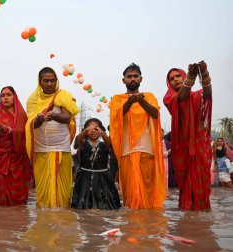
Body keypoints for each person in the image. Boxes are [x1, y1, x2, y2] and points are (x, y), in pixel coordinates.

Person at [110, 63, 166, 209]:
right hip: (126, 152)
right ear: (124, 80)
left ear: (141, 79)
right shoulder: (117, 99)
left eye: (135, 76)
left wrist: (141, 101)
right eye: (129, 77)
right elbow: (116, 117)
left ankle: (148, 224)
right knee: (129, 193)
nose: (132, 79)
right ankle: (132, 228)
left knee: (147, 190)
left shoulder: (149, 96)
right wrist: (129, 102)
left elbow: (155, 114)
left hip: (146, 151)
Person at [25, 67, 79, 208]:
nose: (49, 83)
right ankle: (44, 223)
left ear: (56, 81)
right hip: (41, 151)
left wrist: (54, 115)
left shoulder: (63, 95)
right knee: (43, 192)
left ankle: (62, 221)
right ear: (40, 82)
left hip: (62, 149)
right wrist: (40, 119)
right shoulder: (33, 100)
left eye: (52, 80)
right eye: (46, 80)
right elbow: (31, 126)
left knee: (63, 192)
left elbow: (67, 118)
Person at [163, 61, 213, 211]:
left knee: (202, 184)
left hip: (200, 144)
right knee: (185, 185)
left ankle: (202, 215)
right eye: (171, 78)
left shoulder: (197, 96)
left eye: (178, 76)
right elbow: (181, 97)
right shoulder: (169, 98)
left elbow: (208, 94)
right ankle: (187, 215)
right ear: (169, 83)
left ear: (183, 76)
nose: (175, 79)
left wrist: (204, 74)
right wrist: (190, 78)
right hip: (182, 148)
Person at [0, 86, 30, 206]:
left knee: (18, 203)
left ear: (14, 97)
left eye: (8, 95)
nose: (5, 98)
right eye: (2, 95)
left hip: (17, 158)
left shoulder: (22, 116)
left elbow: (25, 134)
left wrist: (7, 130)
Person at [71, 118, 121, 210]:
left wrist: (102, 133)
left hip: (102, 177)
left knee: (105, 202)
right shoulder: (83, 143)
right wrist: (86, 130)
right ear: (85, 131)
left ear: (101, 130)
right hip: (85, 177)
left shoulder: (103, 144)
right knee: (84, 202)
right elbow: (79, 138)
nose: (93, 131)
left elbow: (108, 142)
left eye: (96, 129)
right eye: (90, 129)